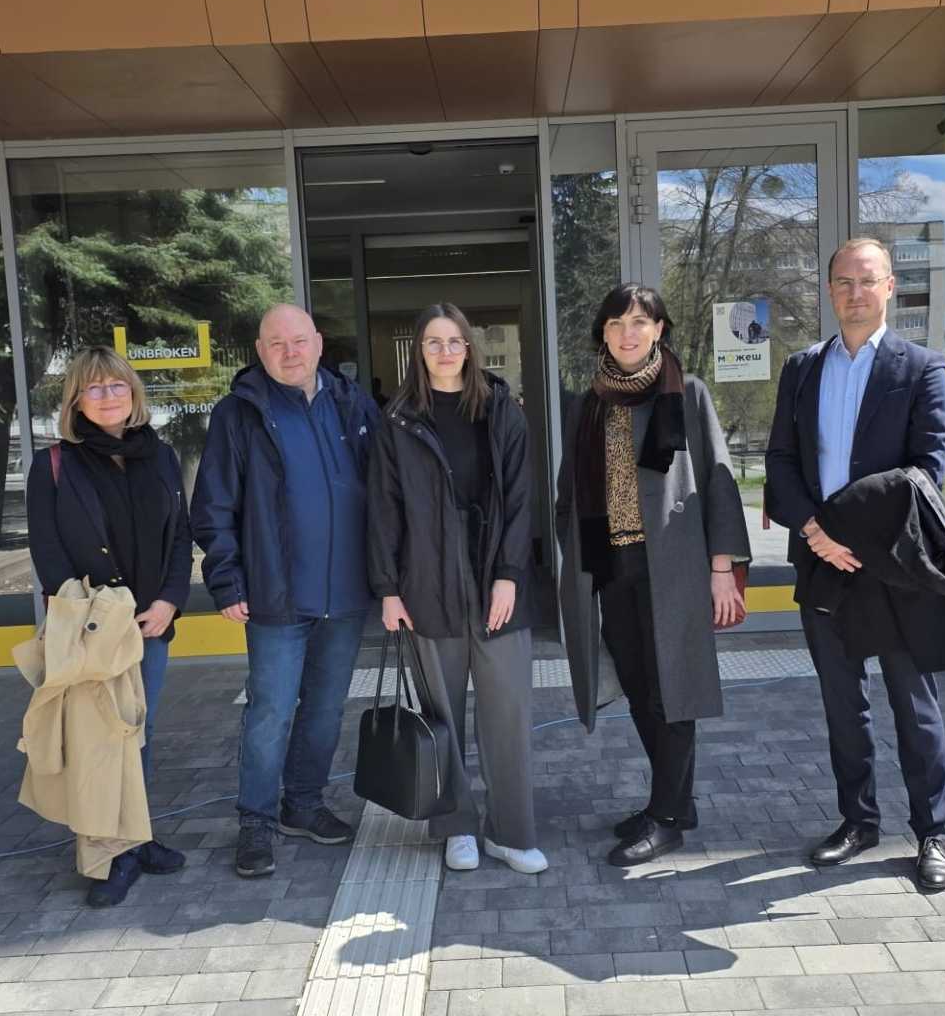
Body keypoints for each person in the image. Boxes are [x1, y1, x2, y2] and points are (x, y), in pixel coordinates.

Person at [765, 237, 945, 891]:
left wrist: (855, 534)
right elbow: (781, 463)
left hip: (897, 566)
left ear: (890, 287)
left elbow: (925, 472)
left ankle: (932, 831)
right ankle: (858, 821)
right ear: (828, 290)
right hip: (825, 564)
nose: (855, 292)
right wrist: (816, 530)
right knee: (843, 705)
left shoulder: (923, 368)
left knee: (915, 704)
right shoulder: (801, 368)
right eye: (843, 281)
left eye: (866, 280)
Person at [556, 283, 750, 867]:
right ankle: (674, 802)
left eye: (640, 322)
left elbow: (718, 478)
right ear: (603, 335)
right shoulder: (589, 402)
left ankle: (666, 818)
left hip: (675, 568)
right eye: (616, 323)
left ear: (659, 329)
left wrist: (723, 568)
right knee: (640, 688)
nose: (628, 333)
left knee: (674, 691)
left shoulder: (685, 392)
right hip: (611, 565)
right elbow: (570, 487)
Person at [191, 305, 378, 878]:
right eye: (277, 343)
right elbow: (214, 505)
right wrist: (226, 580)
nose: (290, 352)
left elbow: (389, 491)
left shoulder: (354, 404)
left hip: (345, 595)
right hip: (276, 596)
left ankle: (303, 803)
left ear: (319, 343)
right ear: (260, 349)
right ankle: (256, 822)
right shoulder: (239, 413)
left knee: (324, 709)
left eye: (299, 341)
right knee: (269, 711)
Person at [367, 303, 547, 875]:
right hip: (427, 584)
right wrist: (389, 590)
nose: (445, 351)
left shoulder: (501, 411)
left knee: (508, 713)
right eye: (432, 342)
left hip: (496, 580)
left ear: (469, 347)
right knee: (441, 714)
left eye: (454, 341)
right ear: (417, 351)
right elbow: (382, 512)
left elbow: (522, 501)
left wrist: (510, 576)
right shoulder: (396, 420)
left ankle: (512, 832)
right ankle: (457, 827)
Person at [26, 345, 192, 907]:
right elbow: (48, 554)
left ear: (133, 394)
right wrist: (96, 617)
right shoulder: (54, 465)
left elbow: (180, 538)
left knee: (136, 735)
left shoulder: (162, 457)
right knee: (99, 744)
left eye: (117, 386)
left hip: (150, 626)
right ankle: (109, 854)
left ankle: (135, 837)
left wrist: (170, 601)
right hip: (96, 632)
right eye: (94, 388)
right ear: (76, 399)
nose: (107, 396)